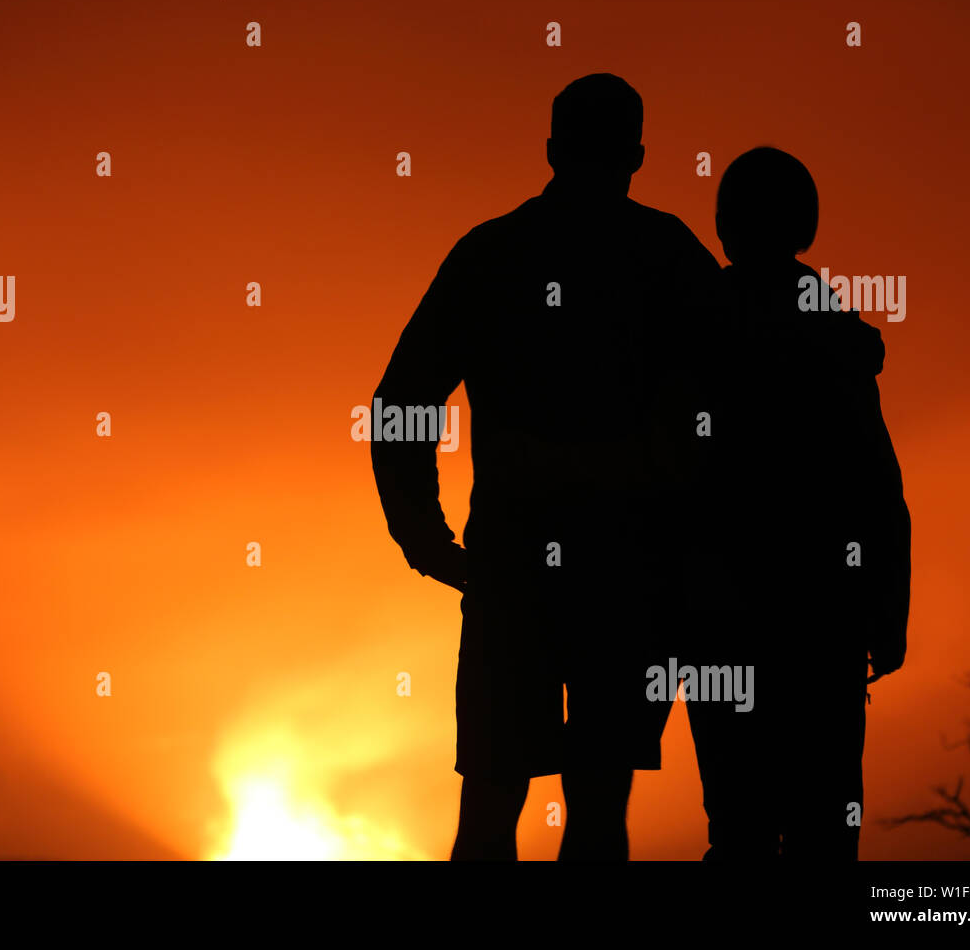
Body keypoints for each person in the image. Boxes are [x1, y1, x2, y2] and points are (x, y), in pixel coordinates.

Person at [370, 73, 720, 860]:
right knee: (597, 810)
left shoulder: (494, 253)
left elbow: (404, 398)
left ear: (553, 148)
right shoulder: (667, 256)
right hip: (627, 570)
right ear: (636, 155)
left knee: (493, 804)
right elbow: (741, 394)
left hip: (521, 563)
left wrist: (422, 534)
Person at [681, 147, 912, 860]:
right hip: (823, 617)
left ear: (724, 225)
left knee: (739, 826)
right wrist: (887, 612)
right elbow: (878, 488)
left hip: (720, 613)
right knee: (823, 827)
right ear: (804, 225)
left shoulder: (688, 331)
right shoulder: (834, 340)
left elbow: (662, 479)